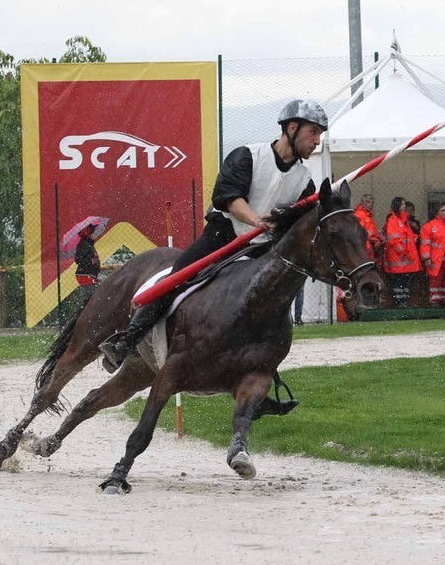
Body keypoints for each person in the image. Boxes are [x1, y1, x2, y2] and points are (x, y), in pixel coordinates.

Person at [99, 98, 325, 402]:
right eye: (313, 132)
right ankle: (126, 341)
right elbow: (229, 198)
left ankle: (257, 380)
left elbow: (299, 224)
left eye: (320, 134)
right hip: (223, 237)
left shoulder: (305, 181)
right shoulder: (248, 156)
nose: (317, 140)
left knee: (267, 303)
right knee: (177, 277)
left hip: (259, 250)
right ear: (292, 128)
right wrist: (257, 219)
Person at [383, 196, 421, 307]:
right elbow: (393, 239)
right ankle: (400, 302)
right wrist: (402, 252)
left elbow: (406, 236)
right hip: (399, 257)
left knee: (404, 280)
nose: (405, 206)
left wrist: (415, 237)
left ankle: (402, 301)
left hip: (404, 257)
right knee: (400, 280)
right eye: (403, 204)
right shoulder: (394, 220)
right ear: (398, 206)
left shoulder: (403, 220)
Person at [72, 224, 101, 308]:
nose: (95, 234)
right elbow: (79, 259)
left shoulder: (89, 244)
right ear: (88, 233)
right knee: (88, 298)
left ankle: (85, 313)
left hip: (91, 274)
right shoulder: (83, 245)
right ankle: (80, 316)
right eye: (93, 233)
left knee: (91, 296)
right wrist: (91, 261)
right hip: (85, 275)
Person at [353, 193, 384, 264]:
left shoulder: (368, 216)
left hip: (370, 248)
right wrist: (373, 241)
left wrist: (378, 236)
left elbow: (371, 231)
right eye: (368, 202)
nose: (371, 204)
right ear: (362, 202)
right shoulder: (360, 215)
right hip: (366, 249)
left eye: (372, 202)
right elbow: (360, 235)